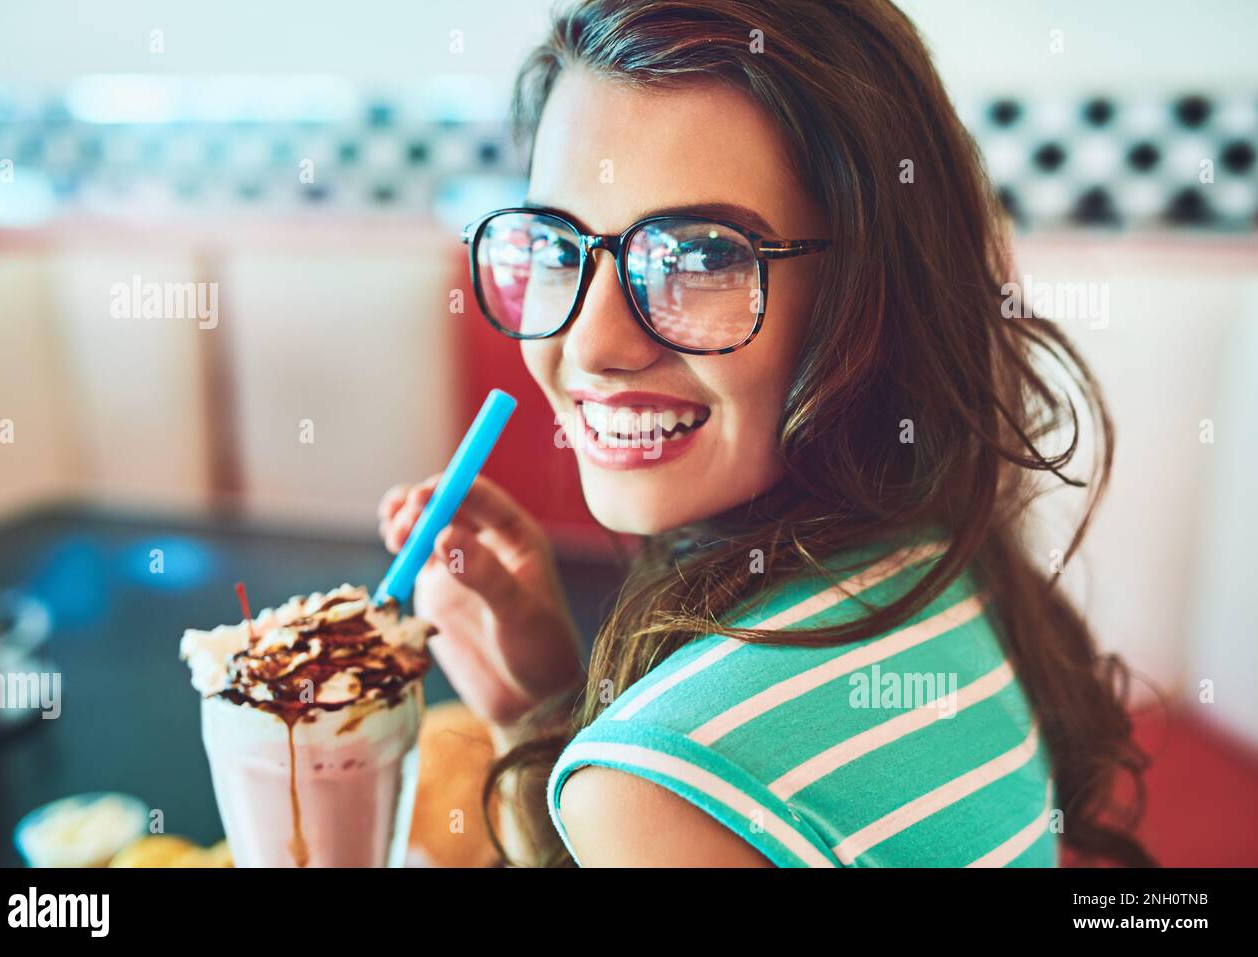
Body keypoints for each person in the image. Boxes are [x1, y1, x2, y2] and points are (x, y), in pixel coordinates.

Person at [379, 0, 1154, 867]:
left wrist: (592, 755)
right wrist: (550, 707)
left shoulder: (654, 788)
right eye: (558, 245)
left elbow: (694, 792)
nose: (590, 344)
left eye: (700, 255)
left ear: (871, 292)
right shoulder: (942, 556)